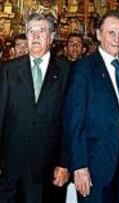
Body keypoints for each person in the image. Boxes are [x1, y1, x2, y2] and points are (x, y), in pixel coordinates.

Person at [63, 11, 119, 203]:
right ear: (99, 35)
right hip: (97, 164)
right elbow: (74, 121)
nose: (117, 39)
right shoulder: (83, 68)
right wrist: (79, 165)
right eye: (111, 33)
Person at [0, 12, 70, 203]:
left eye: (42, 31)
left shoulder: (67, 71)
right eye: (31, 31)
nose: (36, 36)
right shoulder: (8, 70)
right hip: (11, 169)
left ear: (51, 37)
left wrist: (64, 163)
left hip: (49, 170)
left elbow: (71, 122)